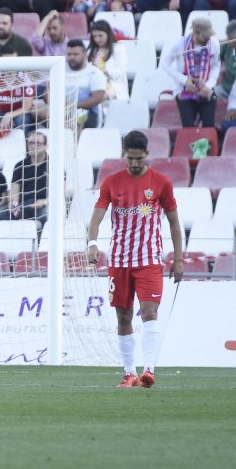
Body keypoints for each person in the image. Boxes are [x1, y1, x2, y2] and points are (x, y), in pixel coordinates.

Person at [87, 131, 183, 388]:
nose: (134, 163)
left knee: (150, 311)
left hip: (149, 259)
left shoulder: (161, 183)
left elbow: (174, 223)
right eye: (130, 158)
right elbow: (96, 216)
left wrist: (179, 259)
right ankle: (129, 373)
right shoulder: (111, 182)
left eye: (139, 159)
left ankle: (148, 371)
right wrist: (92, 243)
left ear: (147, 155)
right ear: (124, 155)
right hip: (118, 261)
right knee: (123, 317)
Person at [160, 18, 221, 127]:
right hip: (184, 91)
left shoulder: (214, 43)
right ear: (196, 33)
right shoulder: (179, 44)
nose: (208, 38)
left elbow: (216, 66)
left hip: (205, 90)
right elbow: (164, 64)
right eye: (205, 35)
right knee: (188, 127)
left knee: (209, 127)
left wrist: (209, 85)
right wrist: (184, 80)